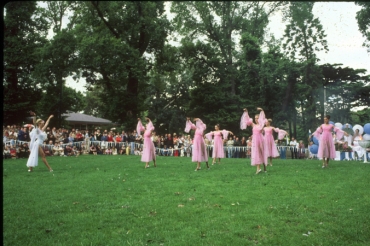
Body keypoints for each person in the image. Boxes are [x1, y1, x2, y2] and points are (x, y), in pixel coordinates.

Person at [240, 107, 267, 174]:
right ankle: (258, 169)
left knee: (262, 153)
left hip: (260, 140)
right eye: (255, 118)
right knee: (256, 153)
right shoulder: (253, 125)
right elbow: (248, 119)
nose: (256, 119)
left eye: (257, 118)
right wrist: (246, 112)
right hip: (255, 141)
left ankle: (264, 167)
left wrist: (261, 110)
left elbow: (263, 118)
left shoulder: (261, 125)